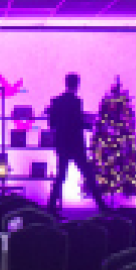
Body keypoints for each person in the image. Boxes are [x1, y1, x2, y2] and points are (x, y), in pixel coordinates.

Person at [45, 73, 109, 214]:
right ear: (77, 85)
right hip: (76, 144)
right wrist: (89, 123)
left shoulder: (56, 101)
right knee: (89, 174)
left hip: (62, 144)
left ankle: (50, 208)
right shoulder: (76, 101)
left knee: (61, 176)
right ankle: (102, 207)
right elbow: (77, 123)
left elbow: (52, 123)